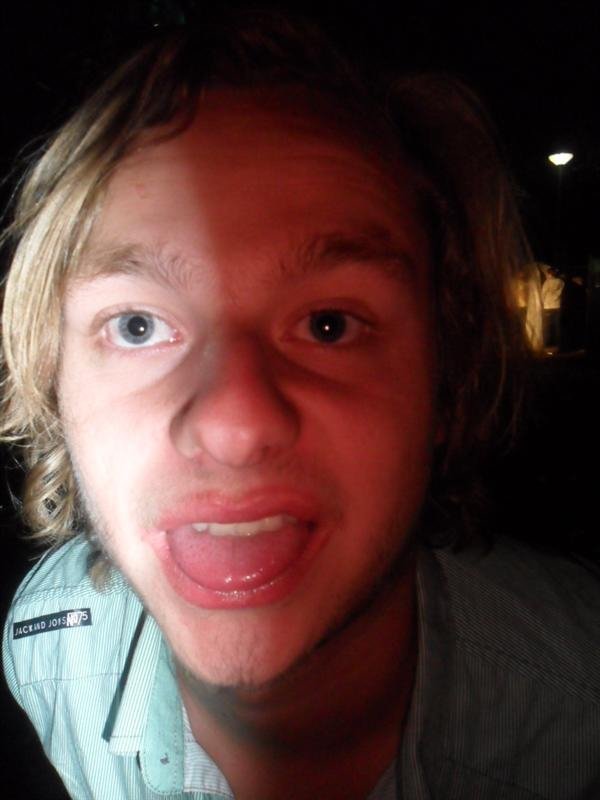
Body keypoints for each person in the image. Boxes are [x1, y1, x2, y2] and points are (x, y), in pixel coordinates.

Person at [2, 13, 600, 800]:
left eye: (329, 325)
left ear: (446, 382)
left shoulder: (581, 703)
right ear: (55, 384)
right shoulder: (47, 651)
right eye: (138, 325)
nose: (235, 424)